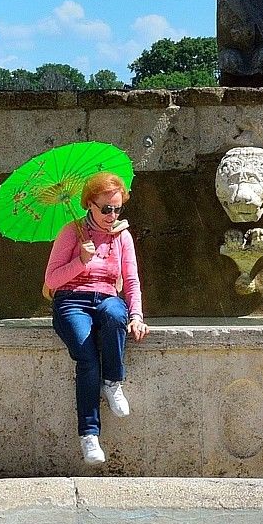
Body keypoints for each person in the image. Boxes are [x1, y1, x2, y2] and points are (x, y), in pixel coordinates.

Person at [43, 172, 149, 465]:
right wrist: (81, 261)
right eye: (106, 209)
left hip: (105, 298)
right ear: (90, 204)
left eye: (117, 208)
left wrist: (137, 314)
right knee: (87, 356)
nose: (112, 215)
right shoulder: (70, 232)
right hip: (71, 301)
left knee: (116, 314)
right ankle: (89, 434)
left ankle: (113, 381)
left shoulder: (122, 236)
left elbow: (131, 280)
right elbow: (51, 280)